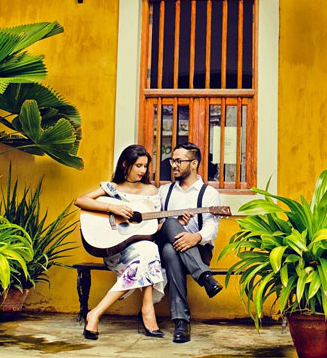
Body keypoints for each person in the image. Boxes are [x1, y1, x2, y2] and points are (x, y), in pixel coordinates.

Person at [74, 144, 166, 340]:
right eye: (138, 165)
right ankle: (147, 312)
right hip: (115, 248)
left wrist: (166, 223)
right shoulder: (112, 188)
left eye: (145, 166)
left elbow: (156, 226)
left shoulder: (151, 191)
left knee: (148, 249)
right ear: (126, 164)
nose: (143, 170)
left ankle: (96, 313)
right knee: (148, 255)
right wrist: (111, 208)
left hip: (141, 248)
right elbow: (80, 200)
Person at [157, 142, 223, 343]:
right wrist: (175, 225)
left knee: (171, 251)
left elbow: (212, 227)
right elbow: (156, 226)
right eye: (172, 160)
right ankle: (205, 277)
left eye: (179, 161)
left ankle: (181, 322)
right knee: (169, 225)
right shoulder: (164, 191)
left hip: (199, 250)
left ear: (194, 164)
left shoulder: (209, 193)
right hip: (171, 246)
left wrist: (195, 237)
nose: (174, 165)